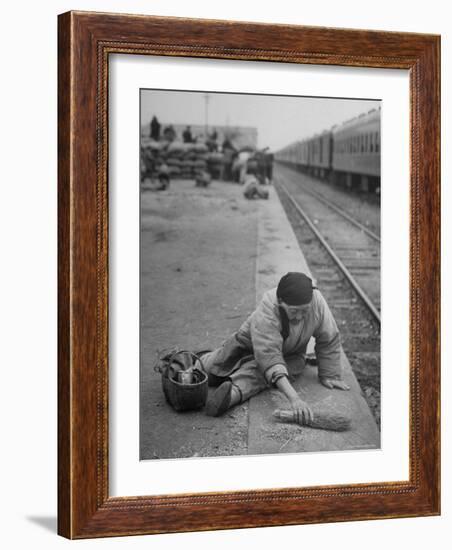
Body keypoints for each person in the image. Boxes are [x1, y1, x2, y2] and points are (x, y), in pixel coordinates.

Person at [200, 272, 349, 420]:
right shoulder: (268, 307)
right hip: (246, 345)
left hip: (290, 355)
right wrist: (295, 399)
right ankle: (188, 367)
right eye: (293, 311)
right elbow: (269, 357)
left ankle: (230, 395)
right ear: (280, 303)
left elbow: (329, 338)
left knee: (259, 374)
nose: (299, 317)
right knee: (214, 366)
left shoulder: (316, 302)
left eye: (304, 311)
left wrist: (330, 374)